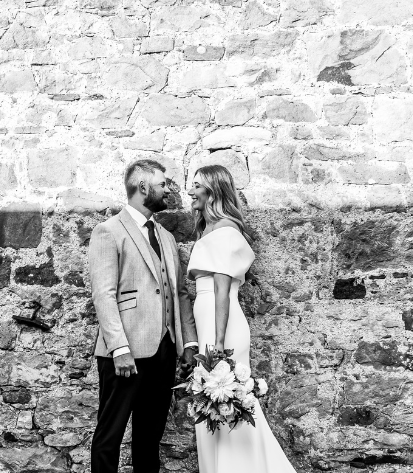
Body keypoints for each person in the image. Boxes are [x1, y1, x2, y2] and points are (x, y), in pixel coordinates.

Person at [88, 159, 199, 473]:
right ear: (142, 187)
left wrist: (188, 344)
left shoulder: (165, 236)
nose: (168, 190)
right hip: (124, 353)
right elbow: (104, 295)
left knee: (150, 438)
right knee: (109, 436)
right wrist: (119, 349)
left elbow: (179, 293)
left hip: (163, 350)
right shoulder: (108, 231)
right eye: (162, 184)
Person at [187, 164, 298, 473]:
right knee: (214, 406)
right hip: (210, 324)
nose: (190, 191)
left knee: (227, 402)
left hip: (220, 327)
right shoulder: (209, 229)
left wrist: (218, 346)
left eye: (197, 186)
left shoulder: (224, 230)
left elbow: (222, 290)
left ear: (213, 191)